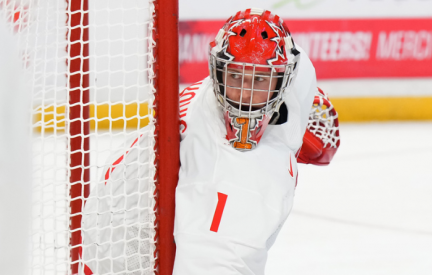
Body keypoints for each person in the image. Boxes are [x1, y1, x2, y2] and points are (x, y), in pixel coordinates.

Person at [82, 7, 340, 275]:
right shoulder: (224, 173)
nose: (245, 95)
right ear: (218, 73)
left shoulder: (223, 85)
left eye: (260, 79)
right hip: (121, 257)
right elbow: (210, 259)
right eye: (236, 76)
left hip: (109, 216)